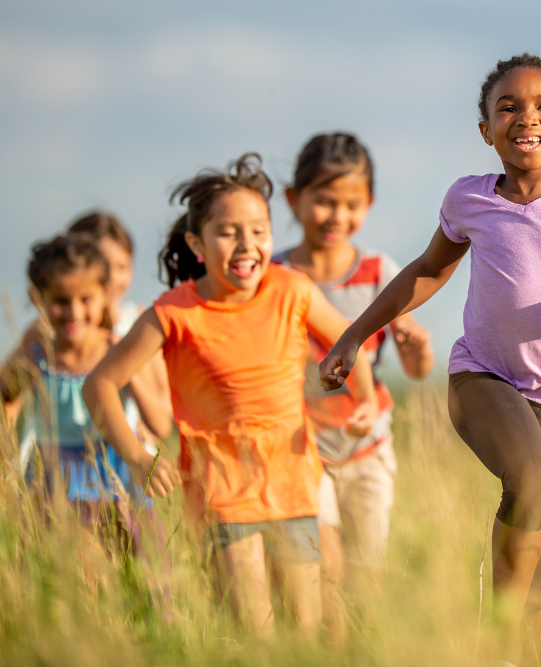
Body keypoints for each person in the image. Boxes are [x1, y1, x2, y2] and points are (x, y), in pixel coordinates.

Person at [319, 54, 541, 665]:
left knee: (535, 586)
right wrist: (355, 334)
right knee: (531, 481)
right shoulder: (469, 200)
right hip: (483, 377)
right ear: (484, 129)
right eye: (507, 107)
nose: (525, 118)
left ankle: (505, 651)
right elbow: (428, 271)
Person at [82, 153, 379, 634]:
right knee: (253, 629)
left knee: (307, 628)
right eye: (228, 232)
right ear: (197, 242)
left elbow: (349, 341)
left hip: (292, 482)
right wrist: (137, 458)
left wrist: (363, 399)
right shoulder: (174, 312)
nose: (247, 245)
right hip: (220, 487)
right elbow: (100, 385)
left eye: (259, 230)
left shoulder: (293, 289)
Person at [274, 131, 434, 636]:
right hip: (302, 447)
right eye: (324, 201)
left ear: (369, 204)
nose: (336, 216)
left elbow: (416, 371)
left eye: (351, 204)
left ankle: (355, 648)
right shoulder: (275, 274)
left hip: (369, 446)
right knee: (325, 566)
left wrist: (415, 346)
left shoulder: (380, 273)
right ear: (295, 200)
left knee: (367, 575)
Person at [0, 235, 172, 533]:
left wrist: (126, 374)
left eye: (86, 299)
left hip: (120, 470)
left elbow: (159, 425)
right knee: (78, 570)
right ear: (38, 297)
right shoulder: (36, 357)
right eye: (60, 301)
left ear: (105, 294)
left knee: (144, 566)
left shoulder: (118, 350)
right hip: (55, 479)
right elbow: (6, 397)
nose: (74, 312)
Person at [67, 211, 171, 451]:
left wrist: (122, 365)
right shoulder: (58, 330)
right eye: (103, 265)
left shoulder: (139, 322)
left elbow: (163, 406)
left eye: (123, 267)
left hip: (125, 460)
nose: (113, 278)